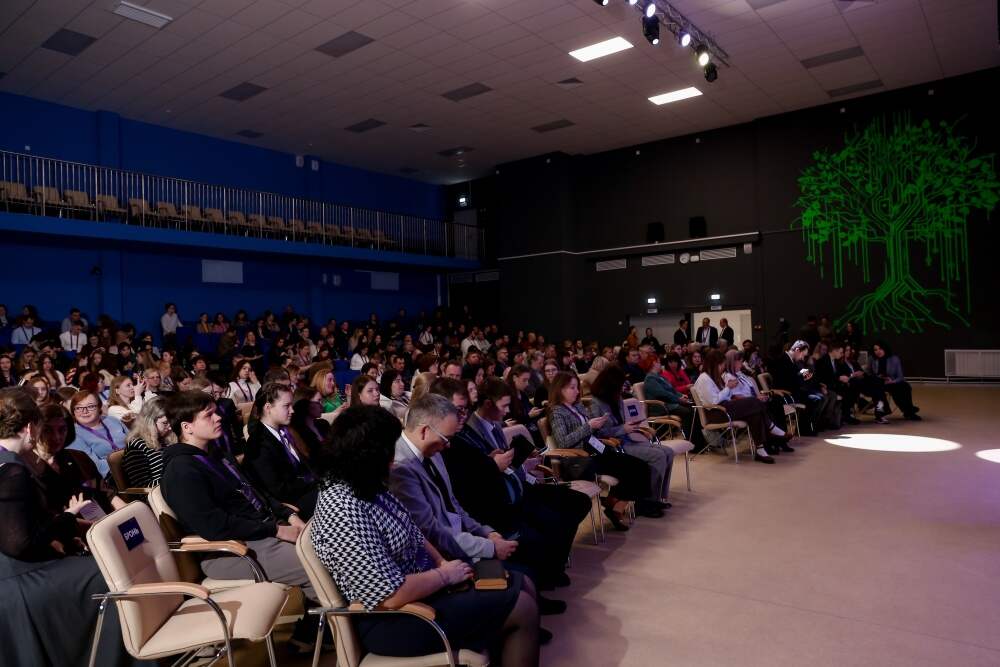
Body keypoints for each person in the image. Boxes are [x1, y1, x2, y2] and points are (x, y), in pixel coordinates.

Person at [310, 405, 540, 665]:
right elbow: (390, 595)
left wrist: (442, 562)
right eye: (388, 449)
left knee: (523, 582)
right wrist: (444, 575)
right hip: (396, 620)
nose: (393, 458)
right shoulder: (342, 507)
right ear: (366, 453)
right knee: (522, 607)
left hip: (425, 591)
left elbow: (414, 532)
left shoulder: (367, 483)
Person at [0, 388, 147, 667]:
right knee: (107, 574)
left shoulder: (10, 462)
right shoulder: (13, 469)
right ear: (30, 427)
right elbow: (19, 543)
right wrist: (67, 519)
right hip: (17, 578)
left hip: (16, 569)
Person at [547, 371, 649, 531]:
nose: (577, 391)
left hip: (595, 451)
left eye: (577, 387)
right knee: (630, 469)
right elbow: (563, 442)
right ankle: (614, 507)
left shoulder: (578, 406)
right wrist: (589, 426)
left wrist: (597, 425)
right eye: (572, 388)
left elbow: (588, 432)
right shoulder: (557, 412)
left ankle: (614, 503)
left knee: (641, 467)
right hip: (579, 460)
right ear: (560, 389)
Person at [589, 366, 673, 516]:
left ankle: (659, 496)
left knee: (668, 452)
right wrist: (623, 429)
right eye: (620, 385)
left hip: (628, 438)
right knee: (658, 456)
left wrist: (630, 426)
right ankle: (646, 502)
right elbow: (598, 433)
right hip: (615, 445)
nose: (623, 388)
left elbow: (622, 422)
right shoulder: (596, 403)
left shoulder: (617, 398)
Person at [694, 350, 791, 463]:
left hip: (724, 408)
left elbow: (725, 396)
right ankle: (771, 428)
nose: (722, 367)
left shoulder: (713, 377)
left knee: (754, 413)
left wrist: (728, 389)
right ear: (715, 364)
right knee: (754, 402)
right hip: (716, 413)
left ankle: (760, 450)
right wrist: (728, 388)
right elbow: (714, 401)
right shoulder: (704, 379)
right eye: (721, 365)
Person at [244, 382, 319, 518]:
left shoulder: (286, 431)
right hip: (292, 503)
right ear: (268, 408)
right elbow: (278, 490)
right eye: (286, 406)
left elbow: (306, 464)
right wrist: (312, 482)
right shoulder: (258, 444)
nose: (292, 410)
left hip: (307, 490)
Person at [67, 390, 128, 478]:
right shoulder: (73, 434)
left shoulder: (112, 420)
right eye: (79, 408)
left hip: (134, 463)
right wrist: (127, 462)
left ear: (99, 407)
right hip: (112, 476)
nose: (85, 411)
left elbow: (133, 441)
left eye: (90, 406)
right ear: (73, 411)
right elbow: (95, 465)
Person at [122, 398, 173, 488]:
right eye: (165, 423)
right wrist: (175, 476)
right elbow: (142, 486)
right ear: (150, 422)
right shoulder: (136, 447)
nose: (170, 428)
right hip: (160, 494)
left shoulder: (166, 439)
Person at [869, 341, 921, 420]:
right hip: (879, 383)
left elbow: (901, 377)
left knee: (905, 386)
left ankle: (908, 410)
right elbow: (868, 373)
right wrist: (877, 377)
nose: (878, 351)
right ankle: (909, 411)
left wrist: (892, 381)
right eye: (875, 350)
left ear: (885, 349)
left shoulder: (894, 359)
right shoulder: (872, 359)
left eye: (880, 349)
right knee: (895, 389)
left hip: (892, 382)